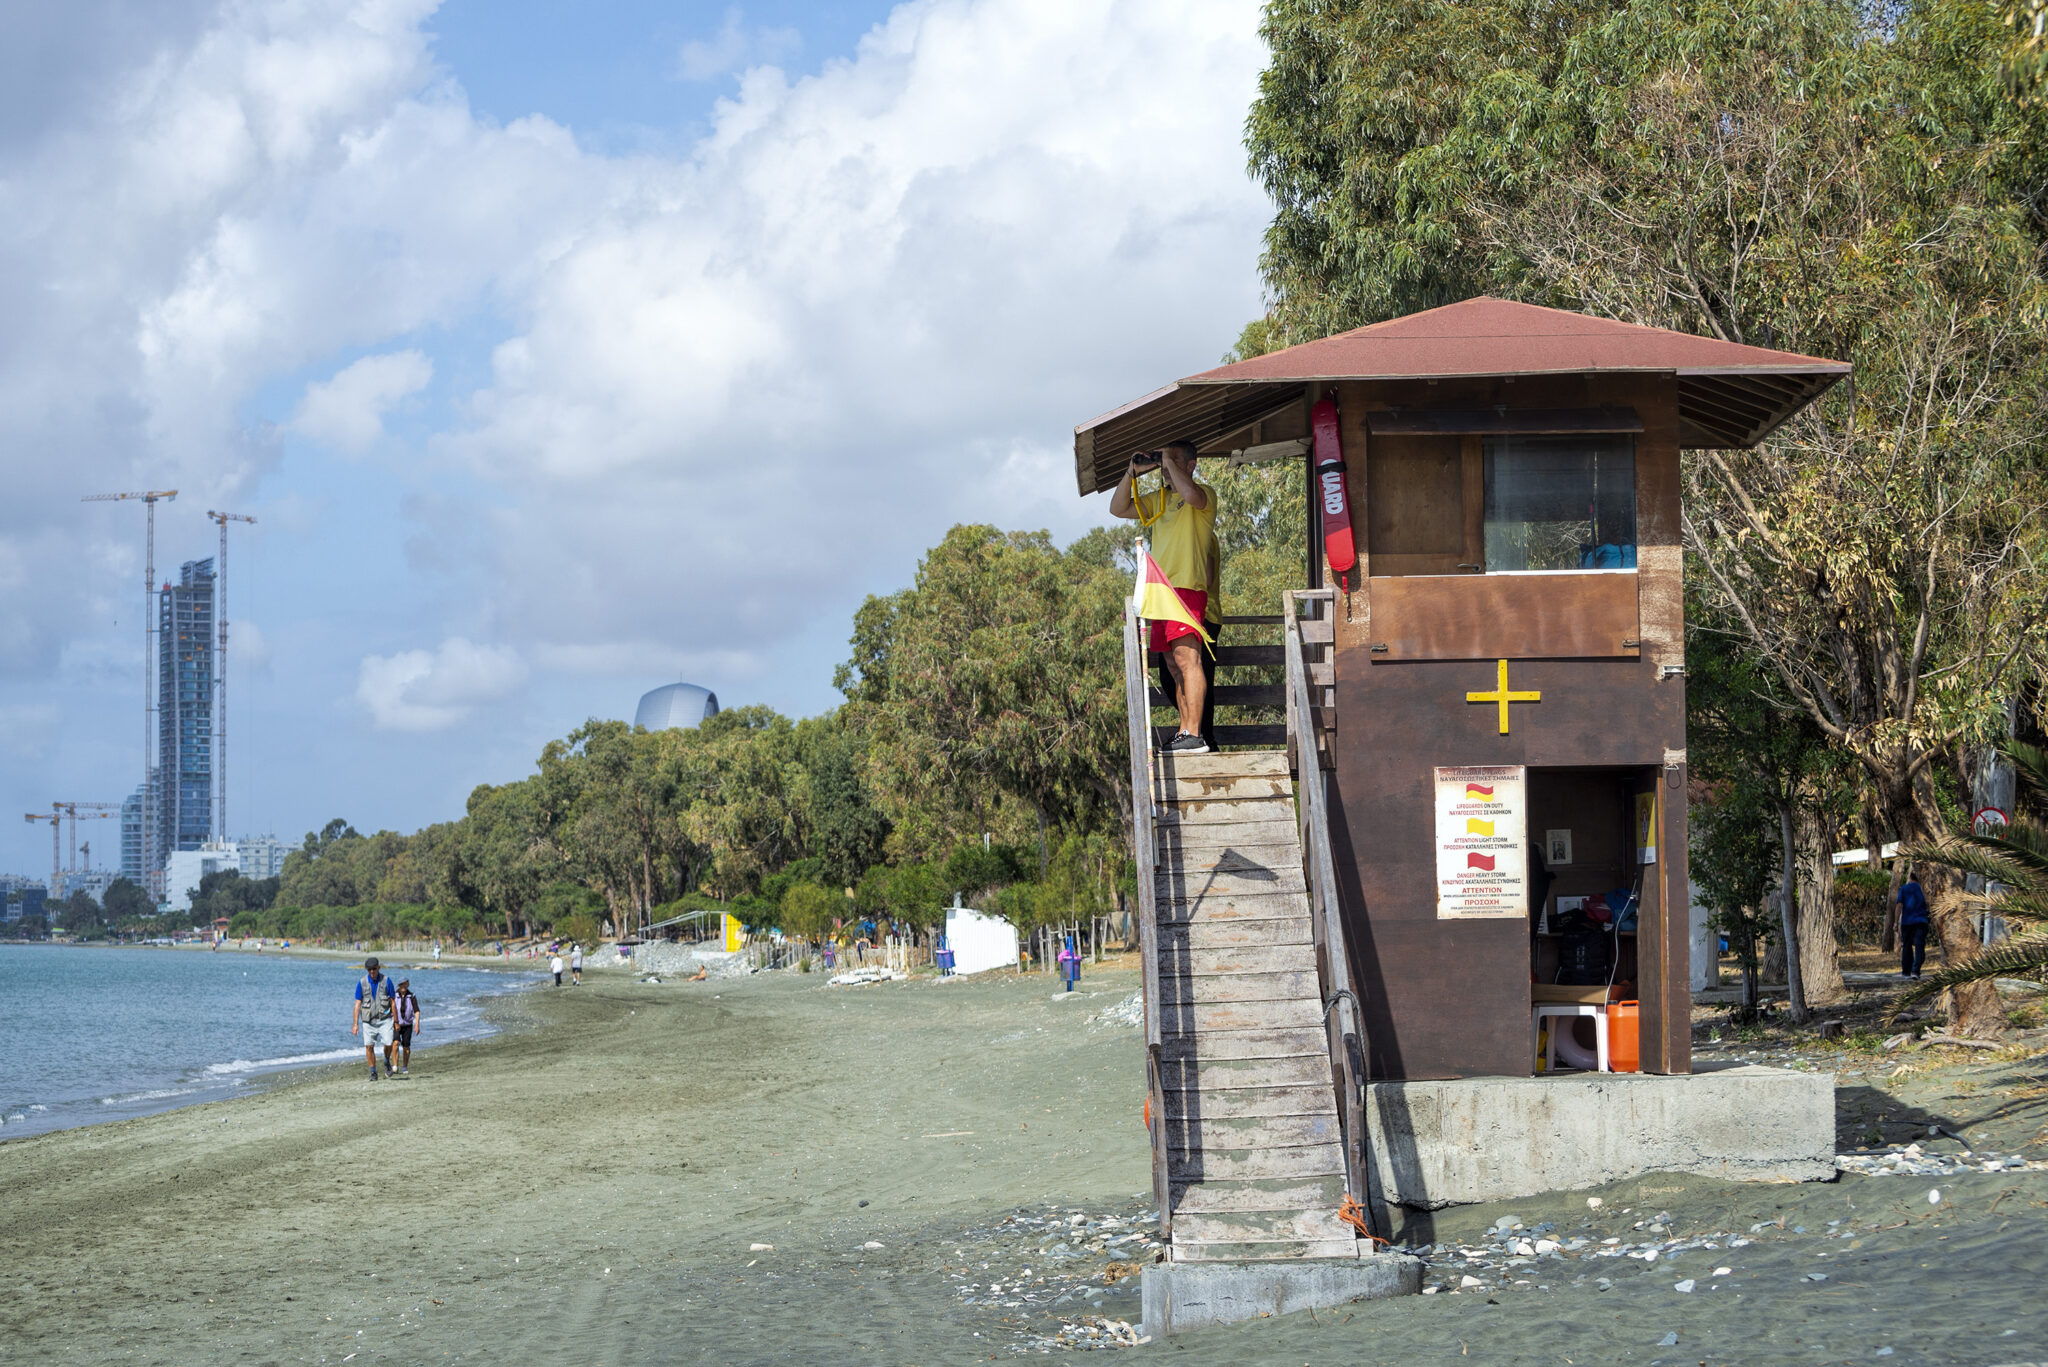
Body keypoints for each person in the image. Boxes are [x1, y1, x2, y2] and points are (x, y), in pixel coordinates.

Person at [1109, 440, 1219, 753]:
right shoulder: (1162, 500)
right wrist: (1132, 472)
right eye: (1164, 463)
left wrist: (1168, 461)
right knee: (1173, 665)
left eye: (1173, 462)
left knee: (1188, 659)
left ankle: (1196, 734)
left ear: (1190, 465)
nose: (1166, 470)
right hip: (1160, 592)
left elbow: (1190, 495)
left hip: (1186, 587)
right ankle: (1185, 731)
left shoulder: (1204, 496)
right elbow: (1118, 508)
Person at [353, 956, 397, 1081]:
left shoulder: (387, 981)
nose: (372, 971)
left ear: (379, 967)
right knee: (369, 1046)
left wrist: (396, 1021)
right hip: (368, 1021)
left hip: (385, 1019)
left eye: (374, 968)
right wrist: (355, 1024)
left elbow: (392, 1002)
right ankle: (373, 1072)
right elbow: (357, 1004)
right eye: (369, 969)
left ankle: (386, 1061)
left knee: (388, 1043)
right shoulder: (361, 983)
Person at [1896, 868, 1931, 979]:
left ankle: (1906, 971)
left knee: (1907, 946)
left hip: (1907, 922)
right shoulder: (1924, 890)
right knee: (1919, 946)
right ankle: (1916, 970)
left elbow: (1899, 905)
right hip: (1921, 921)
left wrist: (1896, 921)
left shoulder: (1904, 889)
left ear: (1910, 877)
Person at [392, 979, 421, 1076]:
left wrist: (417, 1024)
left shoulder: (411, 996)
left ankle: (404, 1066)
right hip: (396, 1023)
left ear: (407, 984)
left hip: (408, 1025)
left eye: (404, 984)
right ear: (398, 985)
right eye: (401, 984)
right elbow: (390, 1008)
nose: (403, 986)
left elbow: (416, 1011)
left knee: (406, 1047)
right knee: (395, 1043)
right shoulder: (394, 995)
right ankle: (395, 1065)